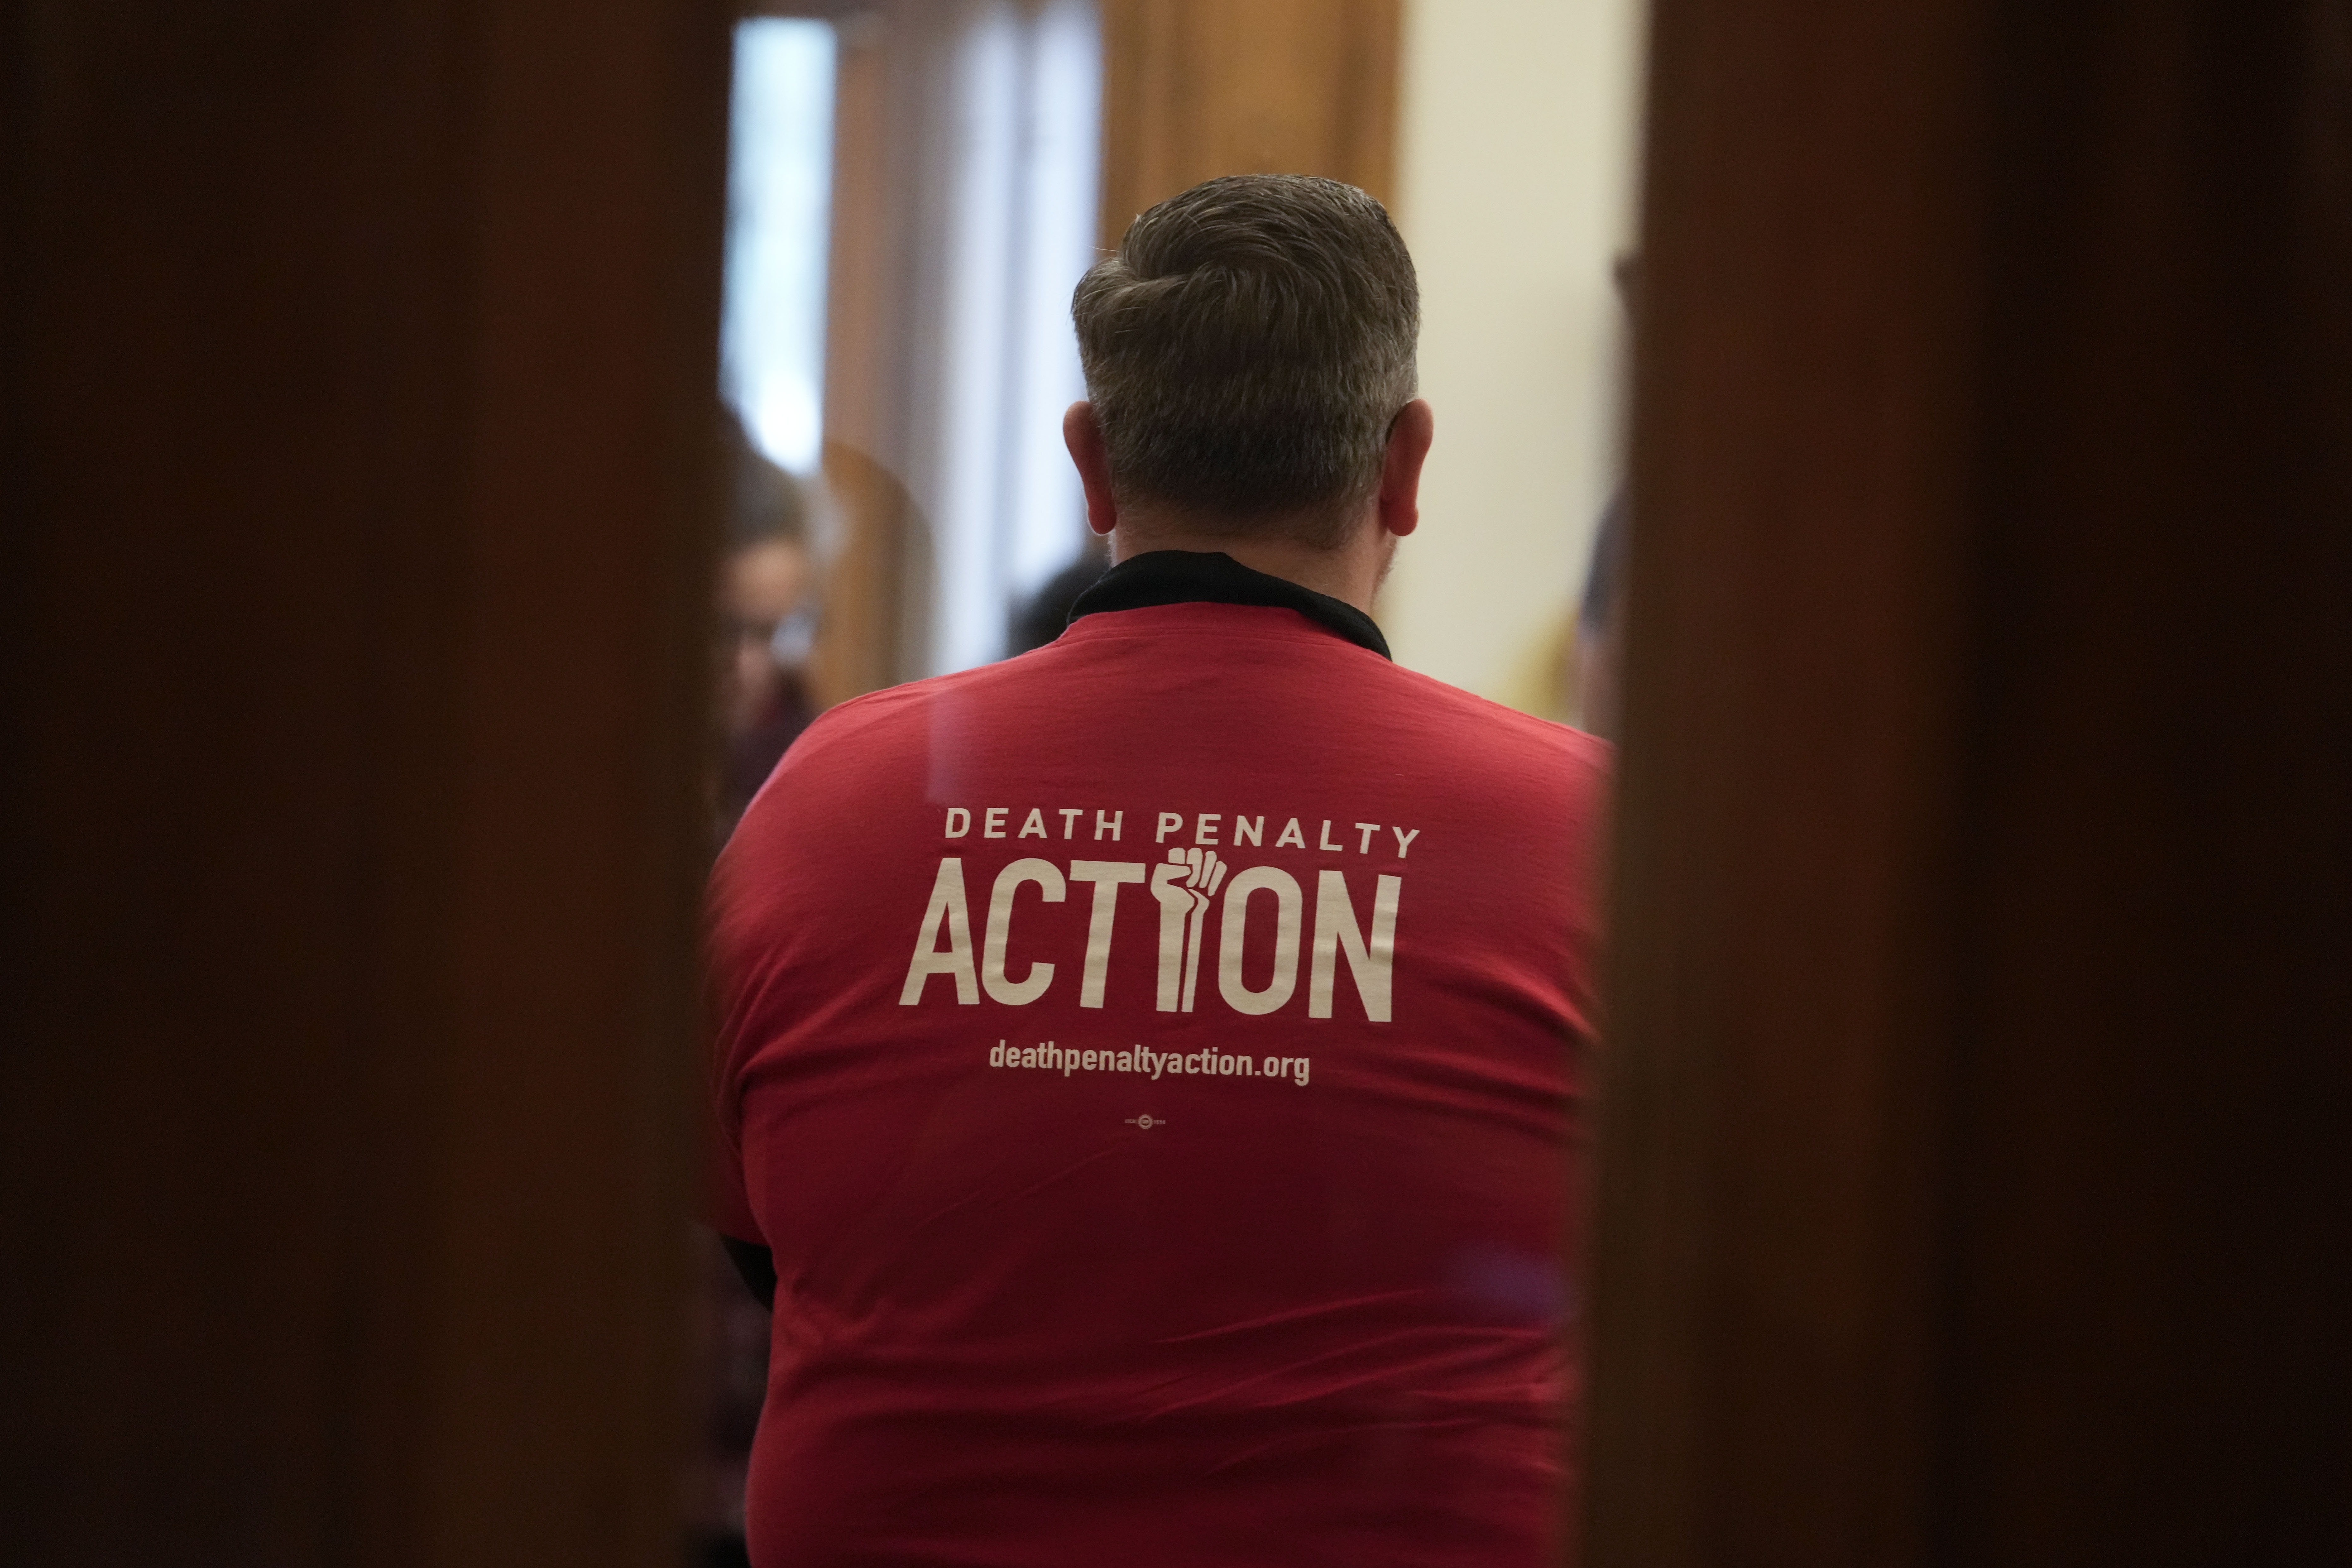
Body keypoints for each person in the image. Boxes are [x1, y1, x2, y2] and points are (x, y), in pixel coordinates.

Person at [706, 174, 1609, 1567]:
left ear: (1093, 463)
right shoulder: (1582, 832)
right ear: (1403, 465)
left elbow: (743, 1211)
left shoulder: (829, 799)